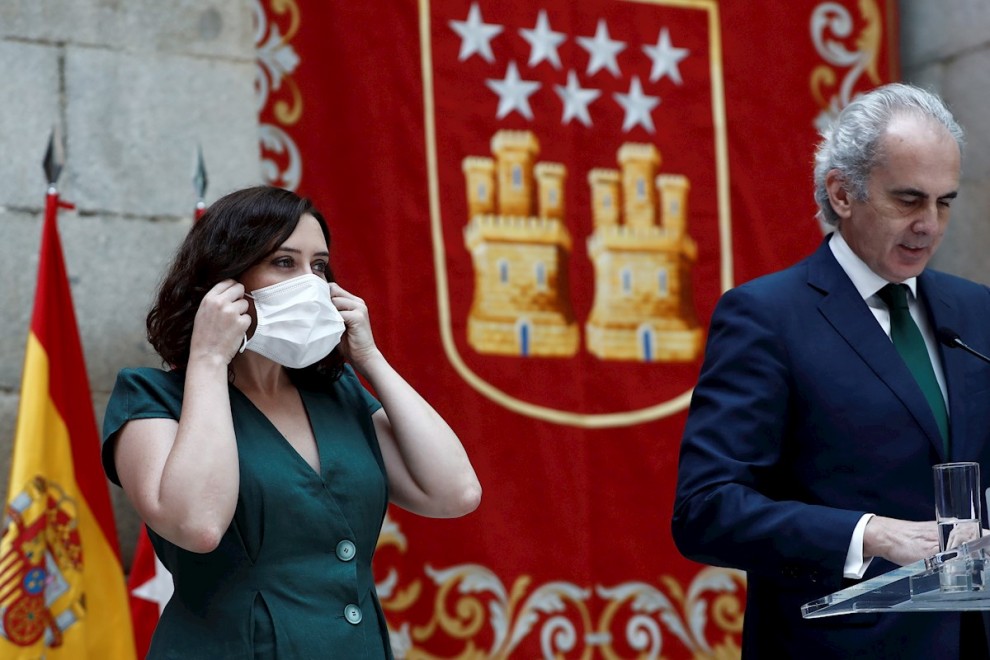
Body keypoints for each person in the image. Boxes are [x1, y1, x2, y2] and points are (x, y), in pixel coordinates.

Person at [671, 83, 990, 658]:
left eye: (944, 203)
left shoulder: (976, 312)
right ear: (843, 193)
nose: (929, 225)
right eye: (909, 199)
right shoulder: (768, 317)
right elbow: (707, 510)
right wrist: (870, 533)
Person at [101, 185, 482, 658]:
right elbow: (198, 524)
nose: (311, 283)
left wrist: (369, 358)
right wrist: (207, 358)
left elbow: (455, 493)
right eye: (285, 262)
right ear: (226, 280)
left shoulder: (338, 394)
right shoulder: (151, 398)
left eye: (319, 266)